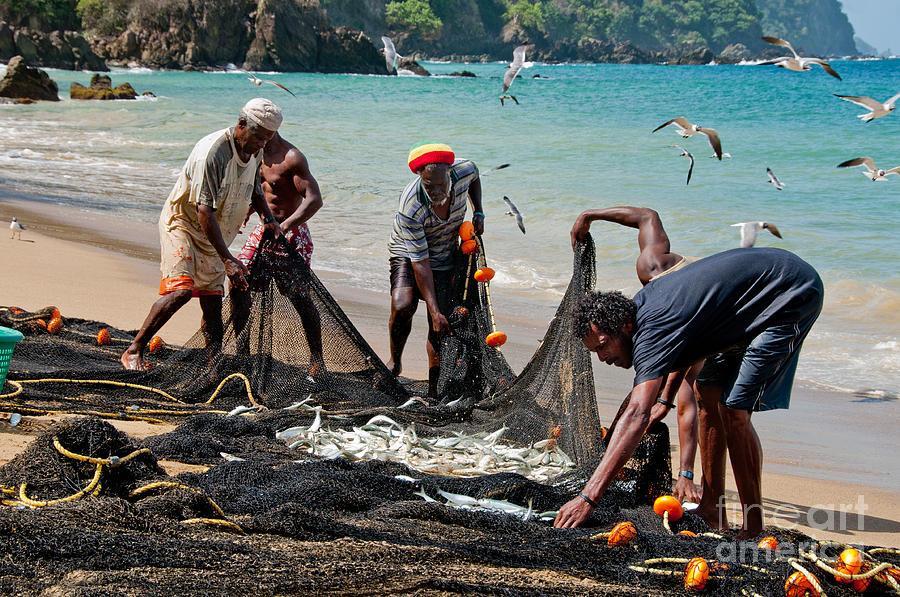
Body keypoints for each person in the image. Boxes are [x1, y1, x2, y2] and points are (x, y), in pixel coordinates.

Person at [557, 211, 823, 539]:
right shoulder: (641, 312)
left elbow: (639, 413)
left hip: (789, 293)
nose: (603, 358)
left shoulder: (650, 330)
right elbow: (649, 394)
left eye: (603, 347)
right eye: (595, 352)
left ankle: (753, 527)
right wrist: (652, 407)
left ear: (625, 327)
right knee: (709, 392)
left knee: (735, 411)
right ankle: (712, 509)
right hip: (740, 309)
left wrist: (588, 497)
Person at [121, 98, 283, 370]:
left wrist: (268, 219)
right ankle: (134, 350)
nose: (262, 145)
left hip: (216, 229)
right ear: (241, 125)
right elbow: (203, 210)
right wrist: (228, 259)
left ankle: (213, 362)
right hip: (184, 224)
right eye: (259, 137)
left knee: (212, 299)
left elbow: (255, 189)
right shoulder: (214, 152)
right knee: (181, 291)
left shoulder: (254, 150)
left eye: (268, 139)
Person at [569, 207, 701, 503]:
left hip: (717, 316)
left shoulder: (672, 311)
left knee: (700, 395)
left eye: (602, 347)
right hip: (684, 317)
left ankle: (690, 480)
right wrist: (591, 216)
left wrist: (665, 400)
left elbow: (686, 364)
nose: (603, 357)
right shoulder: (651, 270)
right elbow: (647, 217)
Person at [387, 142, 484, 398]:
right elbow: (421, 263)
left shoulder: (464, 170)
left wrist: (479, 211)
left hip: (445, 252)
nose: (436, 191)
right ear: (420, 178)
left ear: (451, 174)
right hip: (409, 254)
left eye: (441, 185)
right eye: (429, 186)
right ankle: (394, 361)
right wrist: (433, 308)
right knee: (403, 303)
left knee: (440, 325)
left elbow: (475, 178)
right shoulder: (411, 207)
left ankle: (434, 388)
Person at [233, 131, 325, 376]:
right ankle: (242, 352)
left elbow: (314, 199)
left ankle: (317, 360)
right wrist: (248, 211)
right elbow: (261, 191)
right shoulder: (254, 153)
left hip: (290, 233)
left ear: (271, 129)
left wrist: (285, 226)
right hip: (264, 229)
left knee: (300, 297)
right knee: (238, 281)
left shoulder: (291, 158)